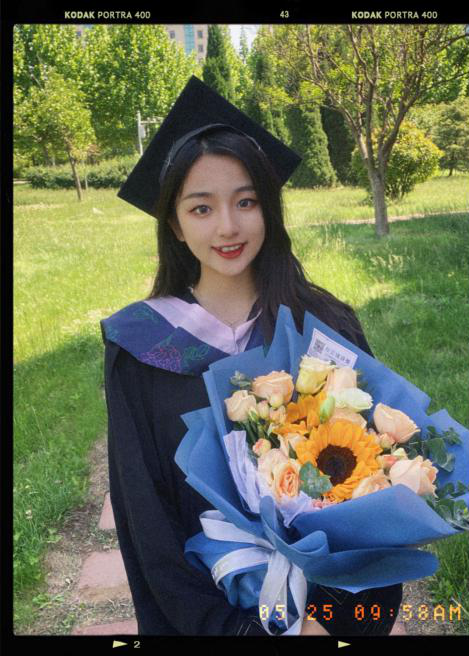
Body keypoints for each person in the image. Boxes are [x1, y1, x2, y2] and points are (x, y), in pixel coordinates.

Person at [101, 76, 402, 637]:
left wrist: (328, 620)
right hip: (206, 616)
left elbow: (378, 483)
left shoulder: (325, 328)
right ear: (174, 224)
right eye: (201, 208)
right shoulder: (140, 347)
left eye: (247, 202)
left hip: (328, 612)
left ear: (270, 208)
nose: (228, 227)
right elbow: (146, 519)